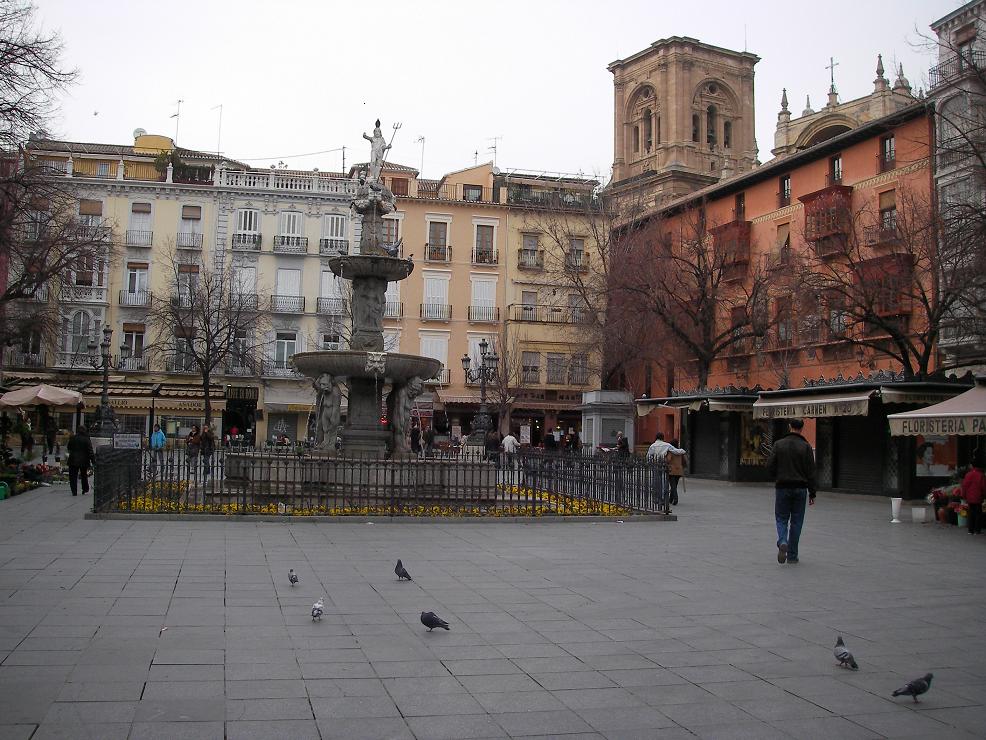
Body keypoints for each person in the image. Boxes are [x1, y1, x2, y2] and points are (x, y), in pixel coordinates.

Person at [766, 418, 817, 564]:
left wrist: (777, 476)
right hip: (800, 488)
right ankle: (792, 555)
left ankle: (783, 540)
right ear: (801, 428)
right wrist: (812, 492)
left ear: (789, 427)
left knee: (781, 518)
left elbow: (769, 465)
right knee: (797, 521)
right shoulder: (806, 447)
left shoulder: (779, 444)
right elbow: (811, 472)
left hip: (782, 487)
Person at [646, 432, 687, 507]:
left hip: (656, 464)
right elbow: (676, 451)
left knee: (656, 482)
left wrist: (650, 463)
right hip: (663, 465)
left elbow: (648, 456)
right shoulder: (667, 445)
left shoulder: (653, 445)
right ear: (663, 437)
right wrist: (683, 451)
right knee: (663, 482)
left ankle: (656, 498)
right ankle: (663, 498)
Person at [67, 425, 95, 496]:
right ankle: (85, 489)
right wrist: (93, 461)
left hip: (73, 459)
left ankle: (74, 491)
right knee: (84, 475)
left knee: (73, 476)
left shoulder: (73, 438)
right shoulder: (86, 439)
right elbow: (90, 451)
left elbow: (69, 447)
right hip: (84, 460)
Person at [960, 460, 985, 535]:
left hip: (970, 497)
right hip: (978, 497)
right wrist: (984, 496)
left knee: (971, 513)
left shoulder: (968, 475)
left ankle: (970, 530)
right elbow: (983, 487)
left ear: (972, 466)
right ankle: (977, 530)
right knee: (978, 514)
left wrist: (964, 496)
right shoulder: (981, 475)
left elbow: (964, 486)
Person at [667, 438, 687, 506]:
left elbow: (668, 459)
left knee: (673, 486)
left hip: (672, 470)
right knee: (675, 485)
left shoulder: (671, 452)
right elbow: (685, 461)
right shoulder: (681, 452)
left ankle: (675, 499)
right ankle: (670, 499)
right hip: (679, 471)